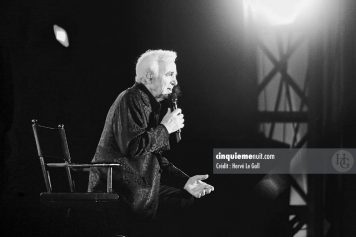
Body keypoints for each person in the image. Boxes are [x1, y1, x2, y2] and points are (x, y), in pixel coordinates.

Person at [88, 49, 214, 236]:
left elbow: (154, 158)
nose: (175, 81)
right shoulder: (131, 98)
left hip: (136, 186)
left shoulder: (148, 104)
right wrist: (165, 128)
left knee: (187, 198)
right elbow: (132, 146)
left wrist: (185, 180)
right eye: (170, 74)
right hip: (119, 189)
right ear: (149, 77)